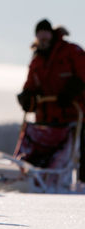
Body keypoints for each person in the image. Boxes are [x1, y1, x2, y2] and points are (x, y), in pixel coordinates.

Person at [17, 19, 85, 183]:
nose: (43, 42)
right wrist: (27, 96)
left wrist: (71, 91)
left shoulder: (71, 51)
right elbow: (30, 85)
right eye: (40, 39)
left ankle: (81, 187)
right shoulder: (37, 60)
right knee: (39, 155)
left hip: (75, 116)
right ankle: (32, 180)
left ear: (52, 35)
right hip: (46, 122)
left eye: (45, 38)